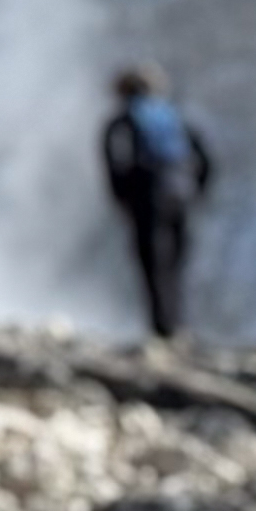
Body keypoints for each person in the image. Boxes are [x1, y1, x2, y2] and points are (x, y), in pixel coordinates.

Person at [99, 67, 215, 341]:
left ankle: (161, 330)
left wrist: (123, 197)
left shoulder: (123, 120)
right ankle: (180, 325)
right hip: (181, 194)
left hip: (148, 196)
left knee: (153, 263)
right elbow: (205, 157)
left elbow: (113, 161)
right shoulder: (173, 117)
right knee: (176, 262)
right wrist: (198, 190)